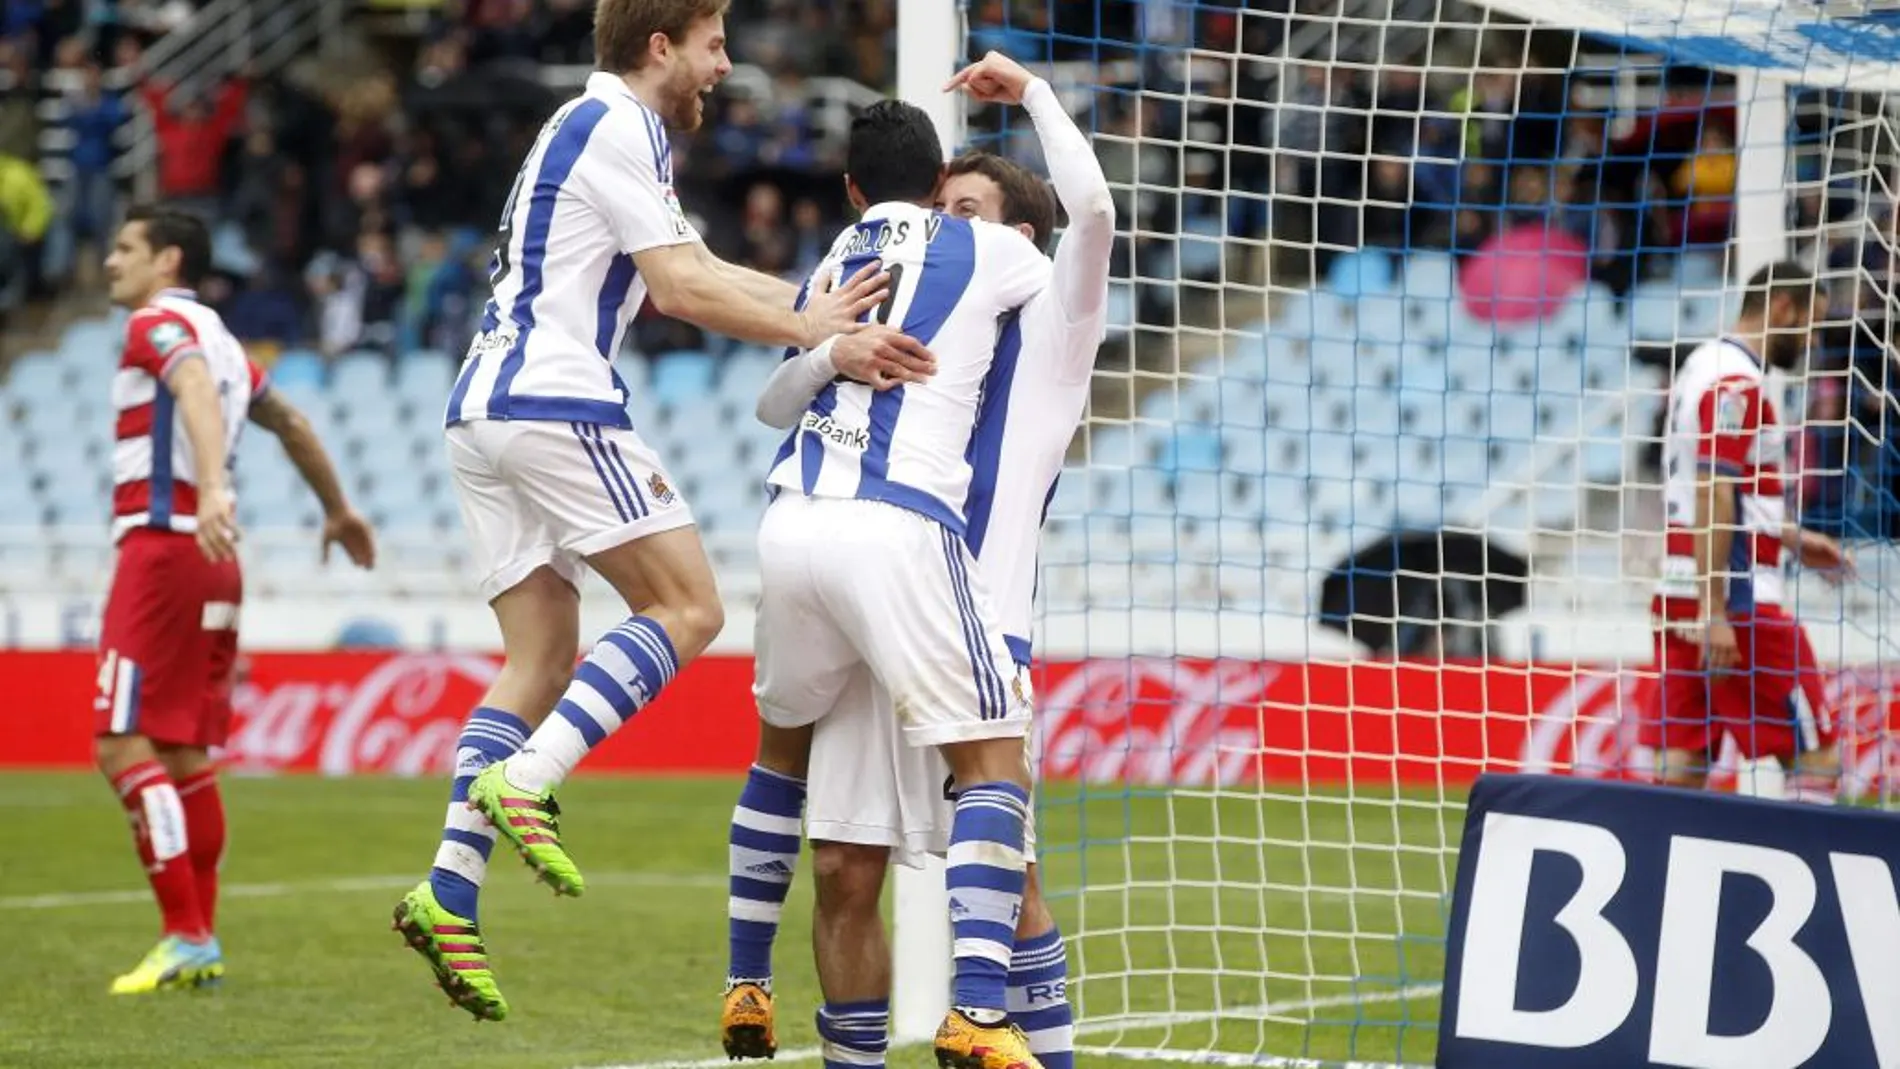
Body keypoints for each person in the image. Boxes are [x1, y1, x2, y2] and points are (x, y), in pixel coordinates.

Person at [391, 0, 926, 1022]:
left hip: (480, 411)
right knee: (689, 609)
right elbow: (680, 287)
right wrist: (813, 325)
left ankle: (449, 889)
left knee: (539, 660)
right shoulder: (615, 124)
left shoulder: (592, 129)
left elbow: (696, 265)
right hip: (555, 399)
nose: (724, 67)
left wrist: (808, 305)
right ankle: (532, 778)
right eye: (715, 44)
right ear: (660, 46)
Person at [718, 53, 1111, 1069]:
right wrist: (828, 351)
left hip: (969, 614)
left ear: (1023, 237)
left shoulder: (1057, 324)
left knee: (1010, 885)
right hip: (872, 593)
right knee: (845, 870)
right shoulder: (914, 293)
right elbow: (782, 384)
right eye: (943, 201)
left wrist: (1033, 95)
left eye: (970, 208)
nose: (948, 220)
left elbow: (1095, 219)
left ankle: (1011, 1034)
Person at [97, 206, 375, 995]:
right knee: (183, 751)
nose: (111, 262)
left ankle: (185, 932)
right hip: (216, 561)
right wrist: (338, 507)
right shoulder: (228, 343)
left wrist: (213, 485)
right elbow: (288, 420)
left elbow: (186, 382)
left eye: (125, 248)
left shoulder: (157, 327)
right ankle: (202, 937)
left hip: (165, 548)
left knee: (120, 743)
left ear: (167, 260)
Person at [1644, 260, 1851, 797]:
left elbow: (1720, 488)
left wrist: (1792, 538)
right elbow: (1715, 489)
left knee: (1685, 759)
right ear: (1782, 308)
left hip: (1679, 588)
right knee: (1817, 756)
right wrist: (1717, 610)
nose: (1810, 342)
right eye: (1811, 324)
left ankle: (1658, 875)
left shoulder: (1699, 366)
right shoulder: (1737, 382)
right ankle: (1806, 878)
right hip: (1738, 600)